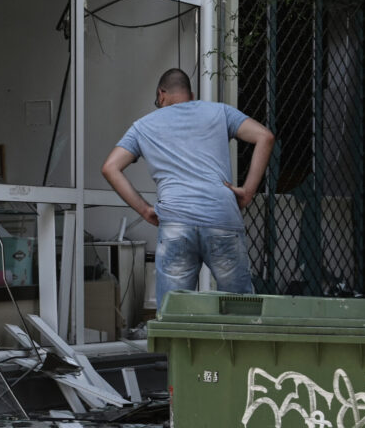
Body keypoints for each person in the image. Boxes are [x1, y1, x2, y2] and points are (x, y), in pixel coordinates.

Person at [101, 68, 275, 305]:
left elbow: (110, 167)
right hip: (221, 216)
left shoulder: (143, 126)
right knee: (241, 307)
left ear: (161, 94)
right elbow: (265, 136)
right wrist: (247, 191)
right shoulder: (220, 112)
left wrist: (144, 210)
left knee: (174, 311)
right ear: (191, 95)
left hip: (175, 222)